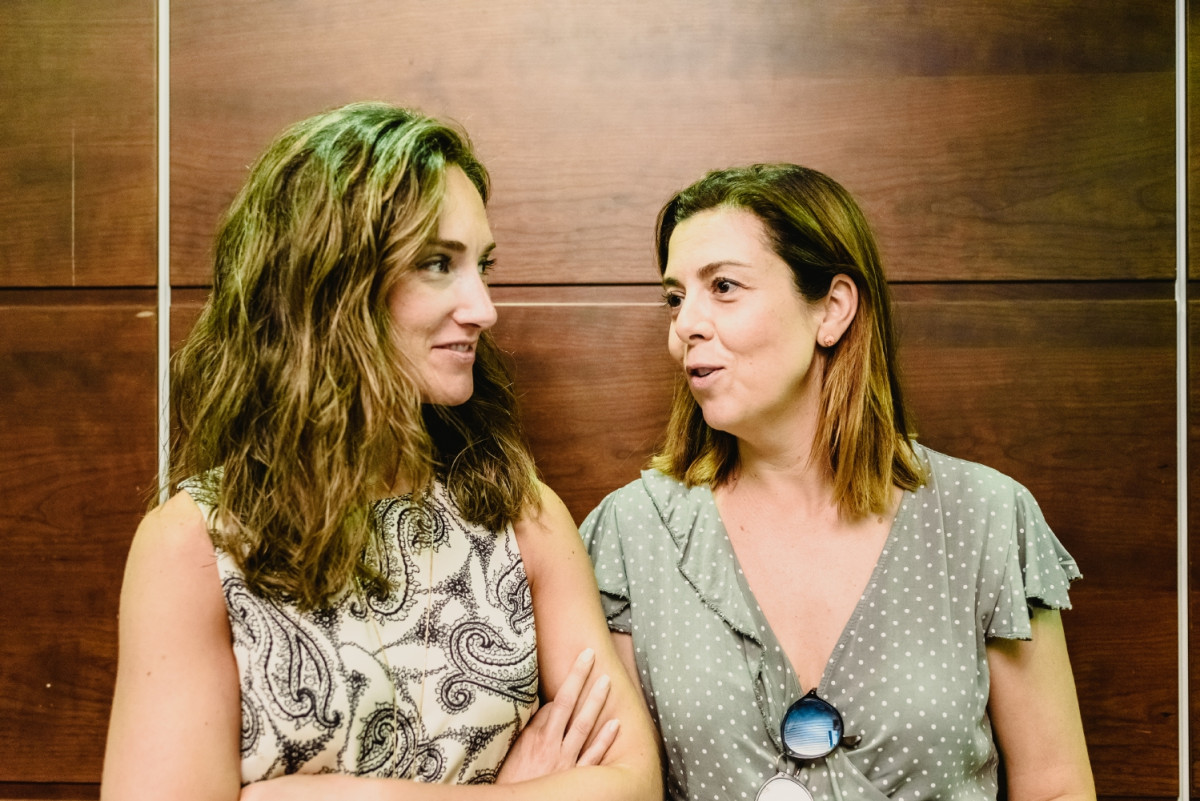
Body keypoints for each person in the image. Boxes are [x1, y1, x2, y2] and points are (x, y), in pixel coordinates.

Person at [101, 102, 661, 801]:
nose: (483, 308)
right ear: (328, 283)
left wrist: (322, 795)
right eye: (438, 263)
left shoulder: (521, 515)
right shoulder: (196, 546)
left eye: (482, 266)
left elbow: (634, 784)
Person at [580, 164, 1096, 801]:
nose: (685, 324)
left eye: (723, 286)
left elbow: (1055, 785)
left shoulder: (984, 517)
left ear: (832, 309)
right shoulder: (631, 534)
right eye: (675, 298)